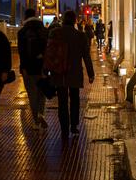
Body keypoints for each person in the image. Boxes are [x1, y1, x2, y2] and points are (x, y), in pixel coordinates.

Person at [44, 10, 94, 139]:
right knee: (75, 98)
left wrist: (45, 70)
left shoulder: (55, 33)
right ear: (74, 21)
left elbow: (49, 52)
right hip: (74, 72)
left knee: (62, 101)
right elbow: (86, 56)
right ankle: (74, 125)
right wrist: (91, 73)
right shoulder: (80, 36)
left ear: (63, 20)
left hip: (58, 72)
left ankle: (64, 128)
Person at [17, 8, 48, 130]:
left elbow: (21, 51)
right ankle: (41, 113)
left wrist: (23, 67)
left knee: (32, 93)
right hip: (43, 65)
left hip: (29, 66)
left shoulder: (22, 32)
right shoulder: (44, 30)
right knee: (42, 92)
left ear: (25, 17)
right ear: (36, 15)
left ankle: (35, 120)